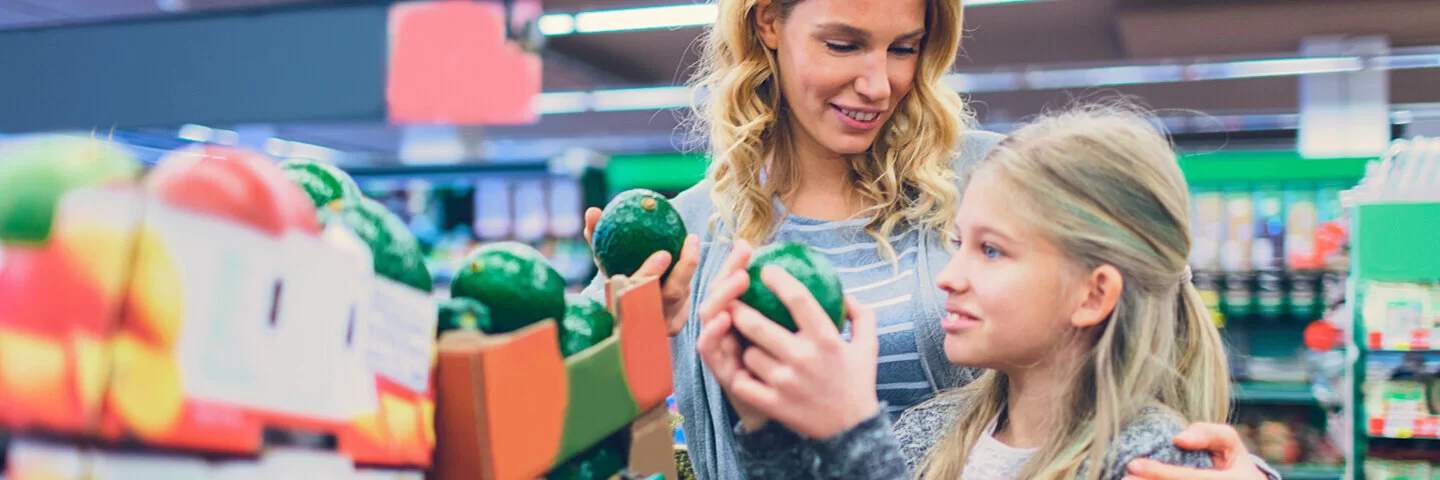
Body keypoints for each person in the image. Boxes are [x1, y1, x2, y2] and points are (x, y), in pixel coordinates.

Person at [580, 1, 1272, 479]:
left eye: (904, 48)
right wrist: (640, 337)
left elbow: (1155, 305)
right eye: (843, 43)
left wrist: (1232, 466)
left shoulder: (995, 176)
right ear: (768, 22)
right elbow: (578, 417)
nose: (878, 83)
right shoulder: (690, 232)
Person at [695, 105, 1253, 480]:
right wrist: (768, 431)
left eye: (991, 250)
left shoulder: (1152, 461)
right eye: (957, 242)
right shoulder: (929, 434)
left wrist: (852, 435)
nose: (948, 277)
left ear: (1092, 294)